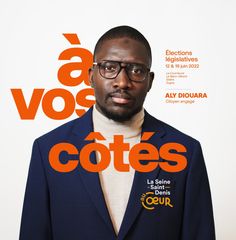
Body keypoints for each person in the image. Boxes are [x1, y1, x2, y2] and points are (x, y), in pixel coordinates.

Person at [19, 26, 215, 240]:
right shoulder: (48, 150)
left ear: (150, 81)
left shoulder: (186, 152)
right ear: (91, 76)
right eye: (109, 67)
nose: (122, 82)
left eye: (136, 70)